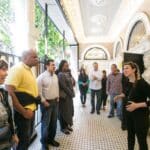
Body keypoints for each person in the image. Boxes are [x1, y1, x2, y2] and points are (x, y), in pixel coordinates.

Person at [5, 49, 39, 150]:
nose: (37, 59)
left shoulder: (28, 69)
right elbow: (9, 91)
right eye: (34, 57)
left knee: (26, 139)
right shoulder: (18, 69)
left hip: (30, 110)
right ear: (25, 58)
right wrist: (23, 112)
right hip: (23, 113)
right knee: (22, 142)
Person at [115, 61, 150, 150]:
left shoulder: (142, 83)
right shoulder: (127, 82)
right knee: (130, 138)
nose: (124, 70)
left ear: (134, 69)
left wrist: (137, 105)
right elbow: (127, 93)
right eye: (123, 68)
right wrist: (119, 96)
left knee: (141, 141)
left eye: (127, 68)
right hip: (129, 115)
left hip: (141, 116)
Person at [37, 59, 60, 150]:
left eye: (54, 65)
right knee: (45, 124)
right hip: (46, 103)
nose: (54, 66)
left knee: (54, 123)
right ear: (47, 66)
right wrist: (43, 101)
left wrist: (57, 96)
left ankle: (51, 139)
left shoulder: (55, 76)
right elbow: (38, 92)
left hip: (55, 102)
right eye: (52, 65)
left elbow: (57, 87)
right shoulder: (41, 77)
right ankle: (44, 143)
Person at [0, 60, 19, 150]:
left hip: (7, 141)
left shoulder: (4, 92)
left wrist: (14, 134)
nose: (6, 74)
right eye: (3, 69)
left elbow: (10, 117)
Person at [58, 60, 75, 135]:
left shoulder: (68, 74)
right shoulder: (61, 74)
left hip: (69, 96)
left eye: (67, 65)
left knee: (69, 111)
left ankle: (67, 125)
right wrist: (71, 93)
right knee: (63, 112)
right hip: (64, 97)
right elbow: (64, 86)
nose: (67, 67)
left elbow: (72, 83)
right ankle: (63, 128)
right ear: (61, 66)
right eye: (65, 65)